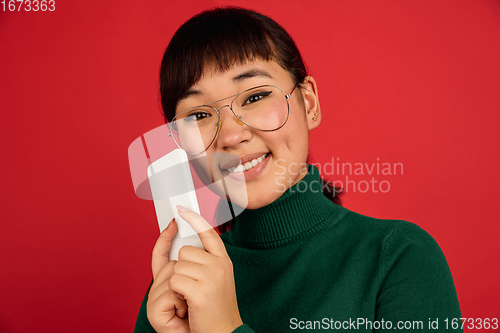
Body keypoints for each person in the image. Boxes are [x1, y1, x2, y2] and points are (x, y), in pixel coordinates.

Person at [135, 6, 461, 333]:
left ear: (309, 104)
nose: (232, 136)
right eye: (198, 116)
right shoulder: (178, 290)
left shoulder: (398, 258)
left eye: (255, 96)